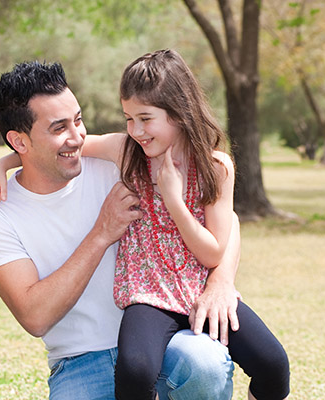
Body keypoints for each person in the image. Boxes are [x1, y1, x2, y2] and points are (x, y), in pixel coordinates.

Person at [0, 60, 239, 399]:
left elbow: (220, 217)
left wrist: (221, 281)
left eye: (78, 120)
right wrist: (102, 232)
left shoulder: (118, 162)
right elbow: (35, 317)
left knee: (203, 364)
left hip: (170, 339)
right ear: (18, 141)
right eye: (59, 128)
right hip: (80, 362)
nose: (77, 136)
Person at [78, 49, 290, 400]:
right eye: (129, 118)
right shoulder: (127, 151)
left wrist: (174, 200)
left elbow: (212, 253)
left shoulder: (216, 167)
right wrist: (7, 160)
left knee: (273, 364)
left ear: (179, 113)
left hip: (201, 293)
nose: (136, 130)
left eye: (146, 118)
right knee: (135, 370)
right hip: (148, 295)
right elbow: (68, 145)